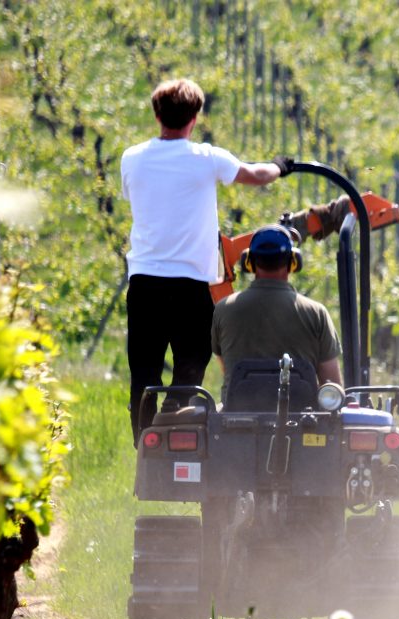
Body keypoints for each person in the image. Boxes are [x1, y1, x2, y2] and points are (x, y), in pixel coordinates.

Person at [121, 78, 296, 445]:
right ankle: (178, 427)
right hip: (191, 283)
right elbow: (255, 175)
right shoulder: (206, 158)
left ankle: (145, 445)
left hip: (144, 284)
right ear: (195, 117)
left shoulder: (132, 158)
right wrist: (280, 165)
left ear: (156, 114)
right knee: (191, 362)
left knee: (144, 370)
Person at [211, 225, 342, 404]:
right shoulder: (316, 313)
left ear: (249, 262)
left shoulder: (223, 309)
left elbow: (227, 368)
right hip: (304, 424)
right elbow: (332, 382)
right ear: (293, 261)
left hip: (235, 420)